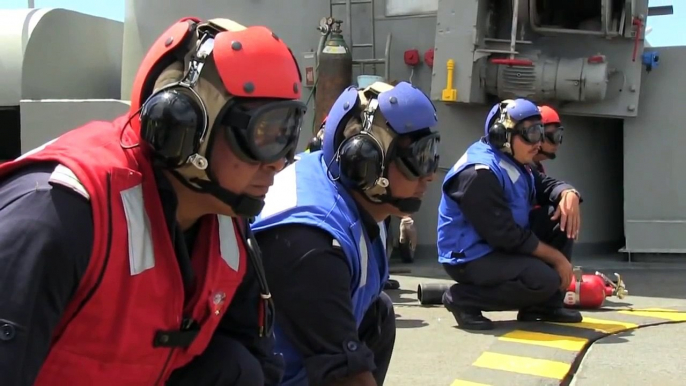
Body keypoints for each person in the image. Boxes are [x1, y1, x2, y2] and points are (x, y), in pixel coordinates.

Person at [0, 17, 306, 385]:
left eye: (287, 135)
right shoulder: (59, 212)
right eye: (263, 134)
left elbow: (254, 361)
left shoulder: (225, 221)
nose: (279, 161)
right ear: (184, 127)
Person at [251, 81, 440, 385]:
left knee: (377, 314)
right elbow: (345, 375)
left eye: (432, 154)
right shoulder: (311, 244)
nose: (429, 174)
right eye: (418, 159)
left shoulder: (338, 181)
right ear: (363, 160)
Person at [437, 98, 583, 331]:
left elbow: (543, 185)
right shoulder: (479, 174)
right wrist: (557, 259)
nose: (538, 143)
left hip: (497, 244)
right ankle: (463, 299)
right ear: (501, 135)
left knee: (560, 219)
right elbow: (505, 235)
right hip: (471, 257)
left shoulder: (514, 161)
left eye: (540, 132)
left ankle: (543, 306)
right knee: (543, 280)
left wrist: (568, 193)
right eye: (531, 134)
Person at [532, 105, 565, 174]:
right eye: (553, 136)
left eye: (558, 135)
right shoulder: (514, 170)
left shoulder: (536, 168)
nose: (557, 144)